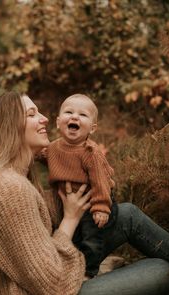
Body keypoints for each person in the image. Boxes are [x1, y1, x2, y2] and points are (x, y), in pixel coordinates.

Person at [0, 91, 169, 295]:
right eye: (32, 114)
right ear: (8, 128)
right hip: (48, 289)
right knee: (162, 269)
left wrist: (90, 179)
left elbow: (38, 220)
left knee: (127, 214)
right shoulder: (10, 189)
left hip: (45, 278)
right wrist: (71, 219)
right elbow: (53, 285)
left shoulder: (10, 179)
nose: (44, 118)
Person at [45, 94, 118, 277]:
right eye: (69, 112)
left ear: (92, 129)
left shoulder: (90, 152)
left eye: (83, 115)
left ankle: (88, 273)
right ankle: (78, 265)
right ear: (58, 121)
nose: (75, 117)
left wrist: (101, 206)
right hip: (70, 202)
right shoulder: (53, 148)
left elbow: (101, 180)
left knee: (92, 239)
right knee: (75, 238)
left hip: (94, 199)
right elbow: (45, 157)